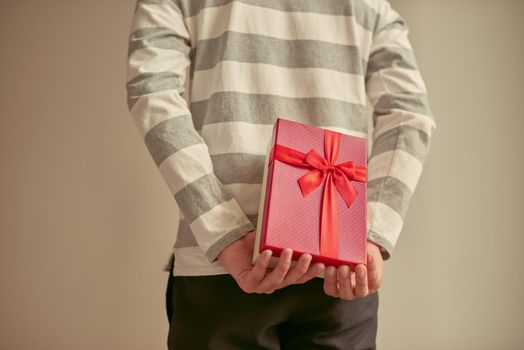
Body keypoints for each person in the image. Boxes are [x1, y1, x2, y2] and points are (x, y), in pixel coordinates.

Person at [125, 0, 437, 349]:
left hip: (222, 270)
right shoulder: (371, 5)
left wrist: (223, 231)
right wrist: (371, 234)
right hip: (339, 269)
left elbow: (152, 92)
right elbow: (408, 116)